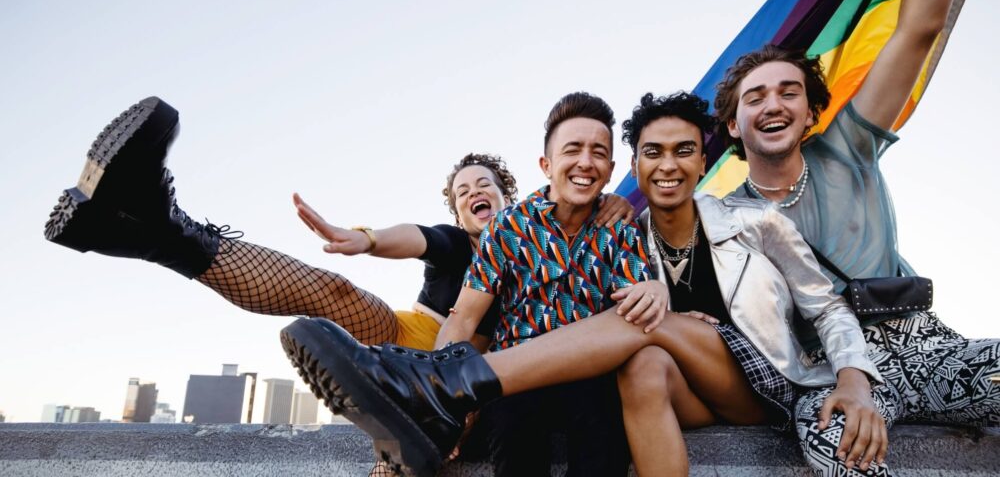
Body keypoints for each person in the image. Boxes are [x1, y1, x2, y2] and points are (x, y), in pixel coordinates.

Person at [41, 96, 635, 476]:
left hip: (496, 369)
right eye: (462, 192)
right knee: (339, 294)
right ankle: (163, 230)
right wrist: (369, 238)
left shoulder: (553, 230)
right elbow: (415, 239)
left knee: (414, 445)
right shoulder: (457, 244)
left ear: (513, 193)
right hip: (420, 348)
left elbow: (625, 193)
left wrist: (616, 204)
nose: (473, 193)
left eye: (484, 185)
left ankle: (141, 231)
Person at [281, 91, 660, 477]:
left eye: (598, 152)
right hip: (516, 376)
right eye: (573, 149)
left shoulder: (621, 230)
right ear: (546, 165)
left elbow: (634, 314)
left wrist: (654, 288)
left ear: (611, 170)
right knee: (513, 424)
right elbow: (462, 317)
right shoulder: (508, 227)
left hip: (590, 377)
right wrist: (441, 386)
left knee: (604, 425)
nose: (586, 162)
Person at [715, 0, 998, 475]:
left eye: (789, 92)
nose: (773, 105)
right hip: (825, 372)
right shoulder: (721, 220)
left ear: (810, 112)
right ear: (734, 125)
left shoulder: (849, 146)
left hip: (922, 346)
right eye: (755, 98)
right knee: (835, 442)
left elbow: (919, 29)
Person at [614, 91, 883, 476]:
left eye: (684, 151)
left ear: (702, 163)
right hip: (691, 393)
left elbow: (827, 309)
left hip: (765, 386)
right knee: (642, 365)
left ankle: (513, 373)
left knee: (646, 321)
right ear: (635, 165)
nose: (668, 165)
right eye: (653, 152)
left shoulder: (757, 221)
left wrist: (853, 378)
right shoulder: (627, 239)